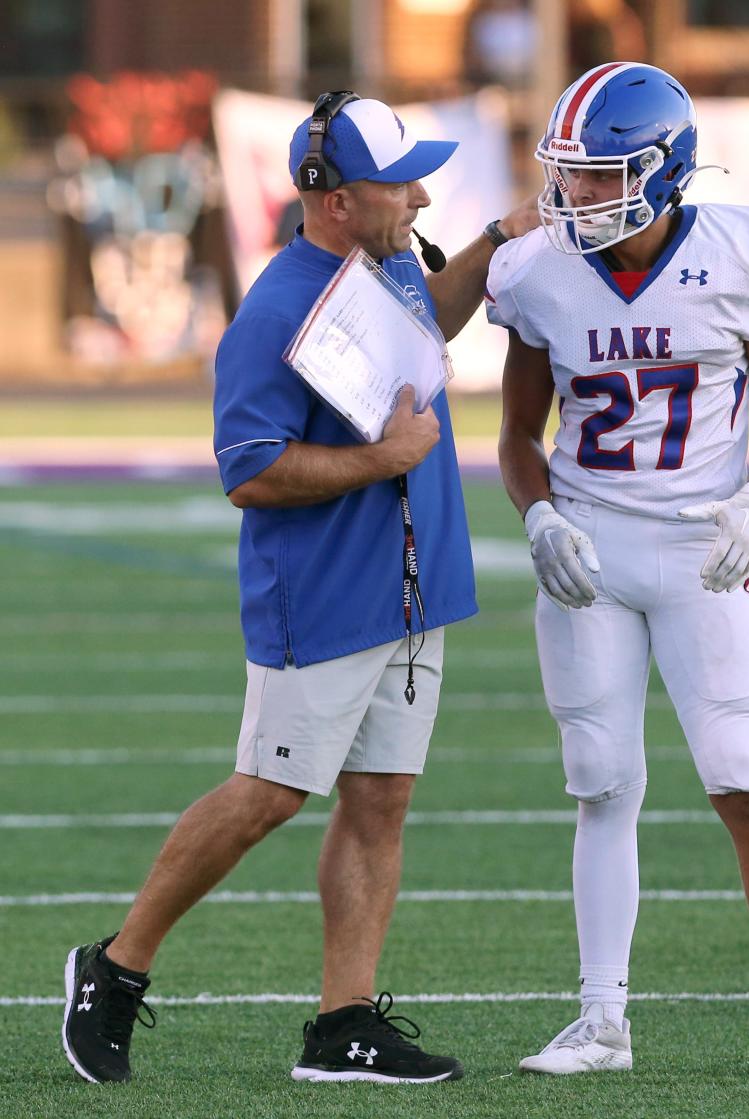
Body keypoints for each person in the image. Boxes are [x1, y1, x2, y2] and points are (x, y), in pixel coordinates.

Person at [61, 91, 536, 1086]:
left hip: (413, 587)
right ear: (333, 200)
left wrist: (494, 242)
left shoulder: (390, 259)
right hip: (323, 593)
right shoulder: (277, 308)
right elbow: (250, 469)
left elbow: (420, 331)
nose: (417, 194)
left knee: (381, 799)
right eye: (396, 181)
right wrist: (383, 458)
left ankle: (345, 1025)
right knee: (269, 792)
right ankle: (115, 967)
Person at [487, 62, 749, 1080]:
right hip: (588, 552)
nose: (572, 195)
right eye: (568, 174)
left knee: (744, 778)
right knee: (603, 782)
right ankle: (601, 1022)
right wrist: (536, 517)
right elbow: (514, 435)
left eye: (596, 175)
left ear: (659, 173)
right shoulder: (539, 271)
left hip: (701, 551)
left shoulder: (741, 254)